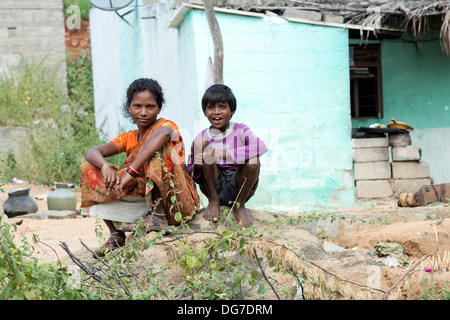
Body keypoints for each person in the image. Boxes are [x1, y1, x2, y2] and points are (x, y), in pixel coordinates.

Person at [80, 78, 200, 257]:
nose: (143, 112)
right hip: (143, 198)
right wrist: (105, 167)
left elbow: (165, 134)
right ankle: (116, 234)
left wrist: (130, 172)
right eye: (137, 106)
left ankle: (158, 216)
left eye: (150, 107)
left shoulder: (165, 127)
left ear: (159, 108)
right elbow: (92, 152)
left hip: (174, 198)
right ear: (129, 107)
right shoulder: (128, 137)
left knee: (158, 152)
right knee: (88, 167)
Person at [186, 84, 267, 228]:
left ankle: (239, 205)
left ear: (232, 111)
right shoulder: (201, 138)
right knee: (204, 148)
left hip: (239, 186)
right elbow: (191, 173)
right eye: (211, 108)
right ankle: (214, 201)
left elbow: (261, 146)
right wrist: (197, 166)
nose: (216, 112)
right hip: (214, 186)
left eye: (222, 107)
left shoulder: (241, 130)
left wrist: (225, 154)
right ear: (205, 112)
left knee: (254, 159)